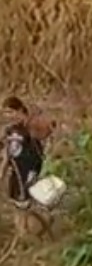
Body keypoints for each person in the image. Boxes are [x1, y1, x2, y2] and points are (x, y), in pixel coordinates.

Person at [0, 96, 55, 239]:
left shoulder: (31, 127)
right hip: (16, 171)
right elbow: (7, 153)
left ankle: (28, 231)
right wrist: (2, 171)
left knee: (25, 203)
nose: (9, 117)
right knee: (16, 203)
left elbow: (48, 130)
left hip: (29, 170)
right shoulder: (10, 130)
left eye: (11, 112)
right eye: (5, 114)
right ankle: (21, 232)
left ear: (19, 110)